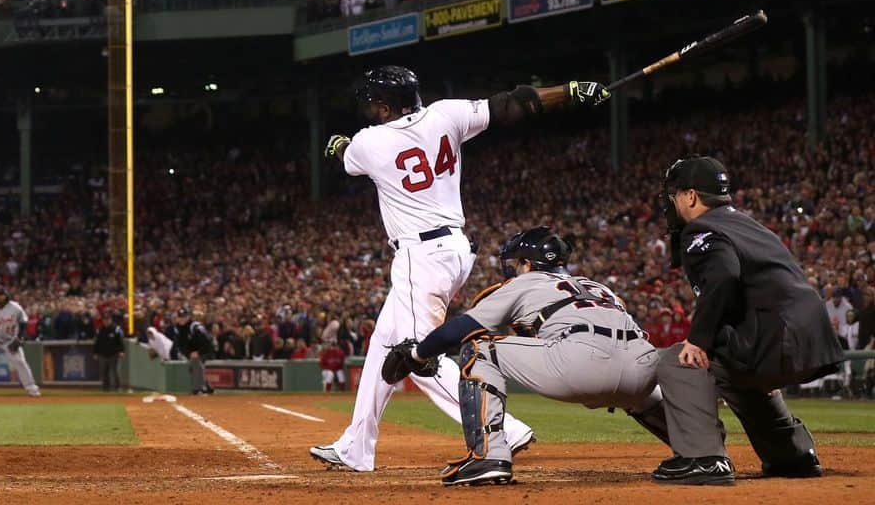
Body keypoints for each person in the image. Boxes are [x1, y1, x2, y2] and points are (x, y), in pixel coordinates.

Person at [309, 64, 612, 473]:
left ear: (384, 107)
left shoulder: (369, 142)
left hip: (420, 254)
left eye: (373, 105)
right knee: (383, 344)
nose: (370, 110)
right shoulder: (446, 113)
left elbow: (344, 155)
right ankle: (355, 447)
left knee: (415, 356)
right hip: (454, 249)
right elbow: (514, 103)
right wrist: (571, 90)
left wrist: (338, 144)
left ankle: (507, 428)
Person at [388, 227, 662, 487]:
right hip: (643, 366)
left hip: (581, 362)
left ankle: (489, 456)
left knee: (479, 349)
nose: (514, 268)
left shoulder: (527, 281)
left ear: (528, 264)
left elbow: (460, 329)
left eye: (517, 263)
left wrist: (416, 354)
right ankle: (696, 451)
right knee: (640, 391)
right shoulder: (599, 287)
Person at [652, 156, 843, 485]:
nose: (672, 203)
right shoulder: (747, 224)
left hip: (777, 338)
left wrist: (698, 340)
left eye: (675, 195)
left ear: (691, 196)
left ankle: (704, 459)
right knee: (734, 368)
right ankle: (793, 455)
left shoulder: (701, 227)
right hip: (813, 339)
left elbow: (724, 275)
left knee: (679, 360)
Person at [166, 306, 215, 395]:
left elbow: (208, 342)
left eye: (184, 316)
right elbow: (179, 345)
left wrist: (199, 352)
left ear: (189, 317)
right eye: (180, 317)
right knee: (193, 363)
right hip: (191, 353)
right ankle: (207, 386)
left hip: (205, 351)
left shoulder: (195, 327)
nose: (182, 319)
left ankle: (198, 388)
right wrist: (187, 354)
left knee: (196, 361)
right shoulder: (178, 329)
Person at [93, 313, 126, 391]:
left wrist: (122, 351)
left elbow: (121, 341)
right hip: (103, 354)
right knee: (104, 372)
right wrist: (95, 352)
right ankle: (105, 388)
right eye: (105, 320)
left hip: (114, 354)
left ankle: (118, 387)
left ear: (111, 320)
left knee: (115, 371)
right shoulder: (100, 329)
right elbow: (97, 342)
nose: (106, 321)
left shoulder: (116, 329)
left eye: (107, 320)